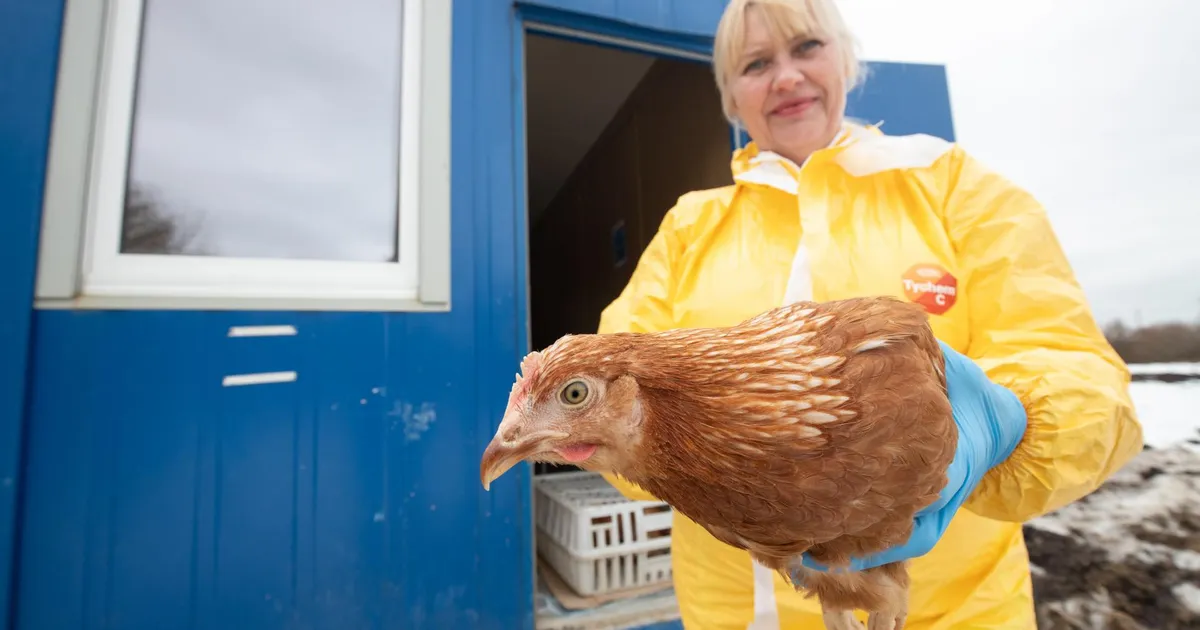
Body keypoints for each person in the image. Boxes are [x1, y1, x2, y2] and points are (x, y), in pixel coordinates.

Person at [595, 0, 1145, 627]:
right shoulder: (691, 228)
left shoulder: (952, 187)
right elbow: (615, 398)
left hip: (957, 612)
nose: (786, 78)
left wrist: (1007, 423)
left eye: (806, 48)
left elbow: (1088, 378)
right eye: (755, 64)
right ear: (731, 97)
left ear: (846, 59)